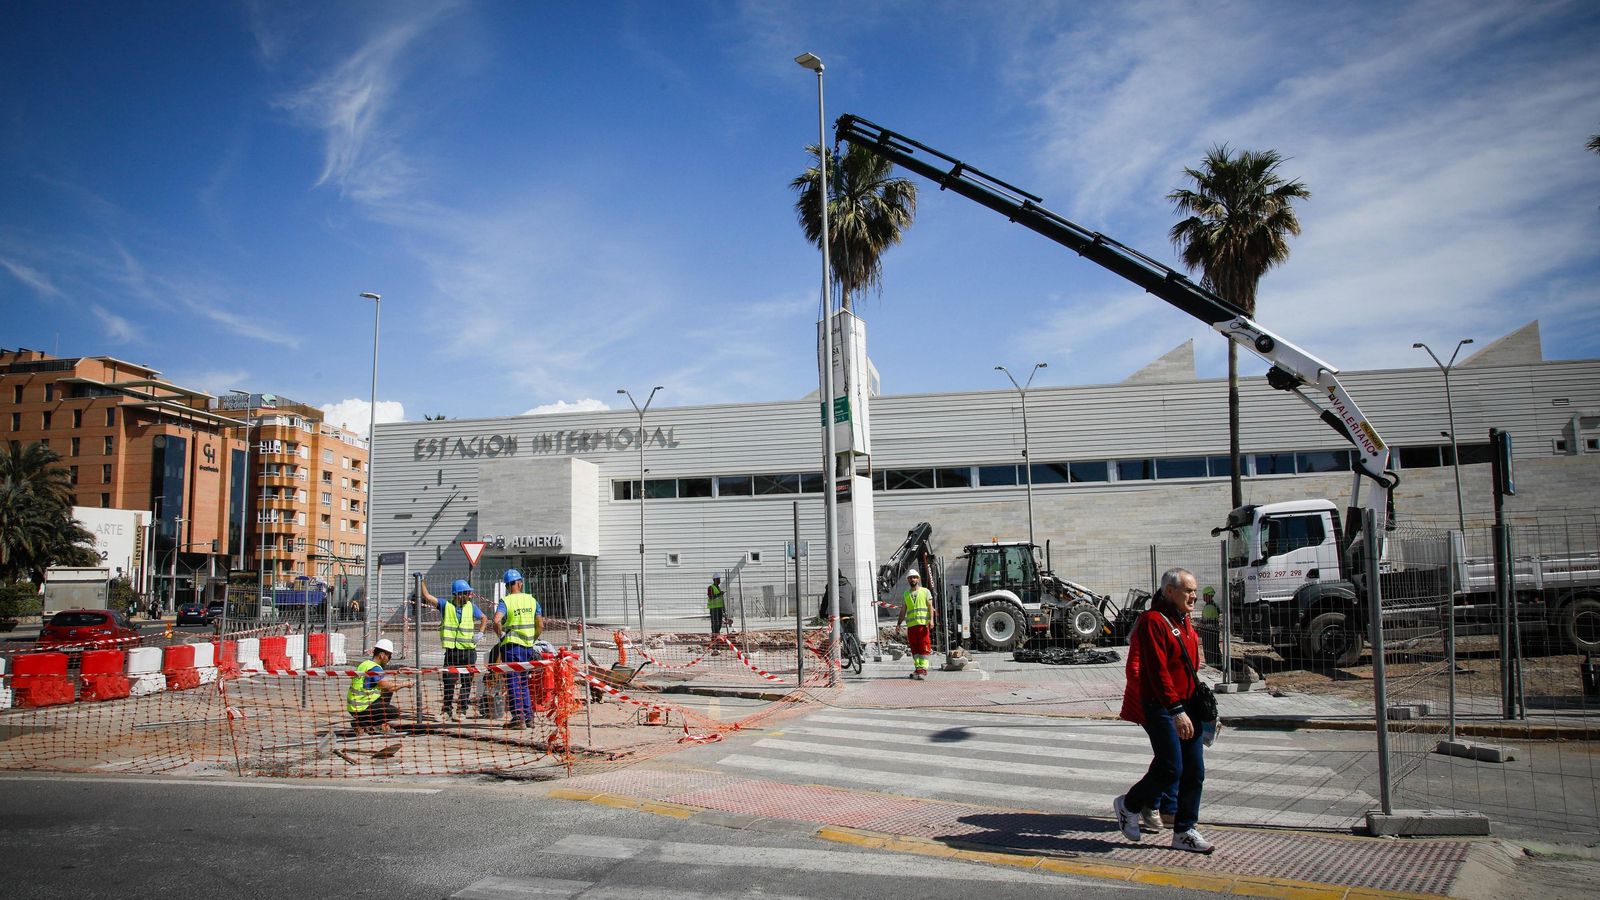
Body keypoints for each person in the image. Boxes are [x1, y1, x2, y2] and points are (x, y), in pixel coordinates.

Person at [1113, 567, 1215, 854]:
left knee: (1194, 771)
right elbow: (1157, 672)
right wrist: (1176, 710)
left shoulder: (1184, 620)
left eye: (1195, 590)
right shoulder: (1152, 622)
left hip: (1190, 703)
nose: (1194, 595)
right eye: (1188, 590)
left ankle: (1184, 830)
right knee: (1171, 767)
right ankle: (1130, 804)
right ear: (1170, 591)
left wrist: (1201, 711)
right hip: (1162, 706)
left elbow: (1189, 666)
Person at [420, 576, 484, 721]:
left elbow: (484, 618)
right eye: (467, 593)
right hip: (452, 651)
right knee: (449, 682)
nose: (469, 595)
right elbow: (427, 596)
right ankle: (447, 711)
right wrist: (421, 580)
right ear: (458, 594)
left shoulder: (471, 607)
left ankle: (461, 711)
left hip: (468, 651)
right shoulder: (445, 605)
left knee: (466, 682)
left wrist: (480, 633)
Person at [492, 568, 543, 729]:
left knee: (513, 681)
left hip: (512, 646)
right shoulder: (532, 600)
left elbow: (496, 620)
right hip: (527, 647)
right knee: (523, 682)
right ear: (520, 583)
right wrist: (532, 638)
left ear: (507, 586)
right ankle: (529, 718)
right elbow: (540, 625)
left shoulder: (506, 601)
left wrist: (501, 636)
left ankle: (518, 718)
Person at [348, 638, 410, 735]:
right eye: (389, 656)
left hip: (355, 705)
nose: (389, 659)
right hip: (361, 708)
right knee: (394, 712)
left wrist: (397, 669)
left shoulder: (366, 664)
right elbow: (389, 686)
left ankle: (369, 723)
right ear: (382, 655)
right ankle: (361, 724)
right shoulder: (375, 668)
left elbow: (382, 675)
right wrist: (405, 684)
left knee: (387, 692)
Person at [896, 570, 934, 680]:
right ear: (908, 579)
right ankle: (918, 669)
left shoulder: (925, 591)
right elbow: (903, 611)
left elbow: (930, 606)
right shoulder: (906, 594)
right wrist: (898, 624)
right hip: (911, 626)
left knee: (924, 646)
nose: (912, 579)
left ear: (918, 579)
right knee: (914, 648)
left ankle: (923, 669)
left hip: (922, 625)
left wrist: (931, 620)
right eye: (910, 578)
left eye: (914, 577)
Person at [1200, 586, 1221, 665]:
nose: (1203, 597)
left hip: (1208, 632)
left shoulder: (1209, 607)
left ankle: (1211, 665)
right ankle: (1218, 663)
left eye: (1204, 595)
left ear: (1208, 595)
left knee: (1209, 649)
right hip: (1214, 630)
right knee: (1215, 648)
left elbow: (1205, 621)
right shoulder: (1215, 605)